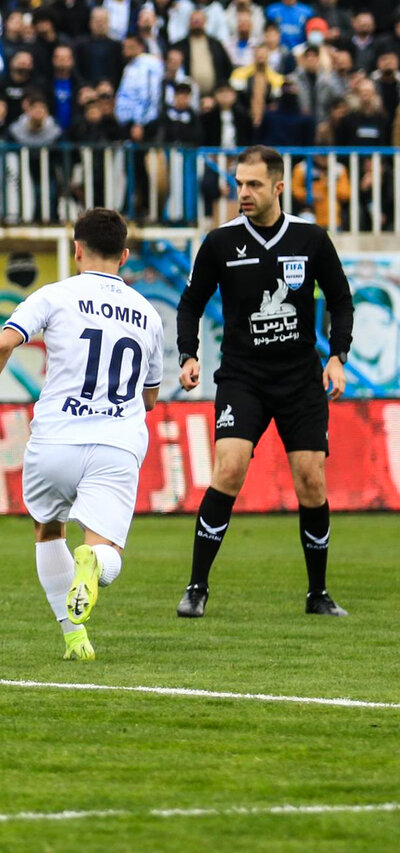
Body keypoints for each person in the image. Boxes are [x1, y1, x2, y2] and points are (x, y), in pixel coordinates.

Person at [0, 208, 164, 661]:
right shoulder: (148, 314)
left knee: (48, 530)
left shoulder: (54, 295)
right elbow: (149, 397)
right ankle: (93, 561)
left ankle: (74, 638)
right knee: (105, 552)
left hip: (55, 440)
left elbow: (2, 343)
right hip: (116, 444)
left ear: (77, 249)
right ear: (124, 255)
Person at [176, 145, 354, 619]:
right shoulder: (220, 242)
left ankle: (318, 594)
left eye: (253, 184)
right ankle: (196, 588)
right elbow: (191, 302)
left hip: (299, 380)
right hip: (243, 377)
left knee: (311, 480)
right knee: (228, 469)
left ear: (278, 187)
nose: (244, 193)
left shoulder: (311, 239)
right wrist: (189, 353)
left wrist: (337, 357)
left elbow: (341, 300)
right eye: (239, 184)